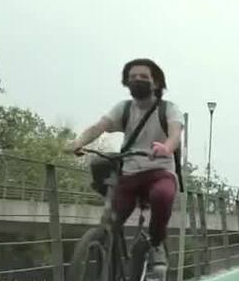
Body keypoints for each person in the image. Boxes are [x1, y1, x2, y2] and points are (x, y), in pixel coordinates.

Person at [67, 58, 184, 266]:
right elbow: (98, 127)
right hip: (129, 175)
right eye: (132, 77)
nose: (136, 80)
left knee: (162, 196)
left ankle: (156, 244)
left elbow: (175, 134)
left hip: (160, 172)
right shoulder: (124, 109)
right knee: (111, 221)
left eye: (143, 77)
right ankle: (107, 274)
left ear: (155, 83)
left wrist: (166, 148)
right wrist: (78, 142)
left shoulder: (168, 110)